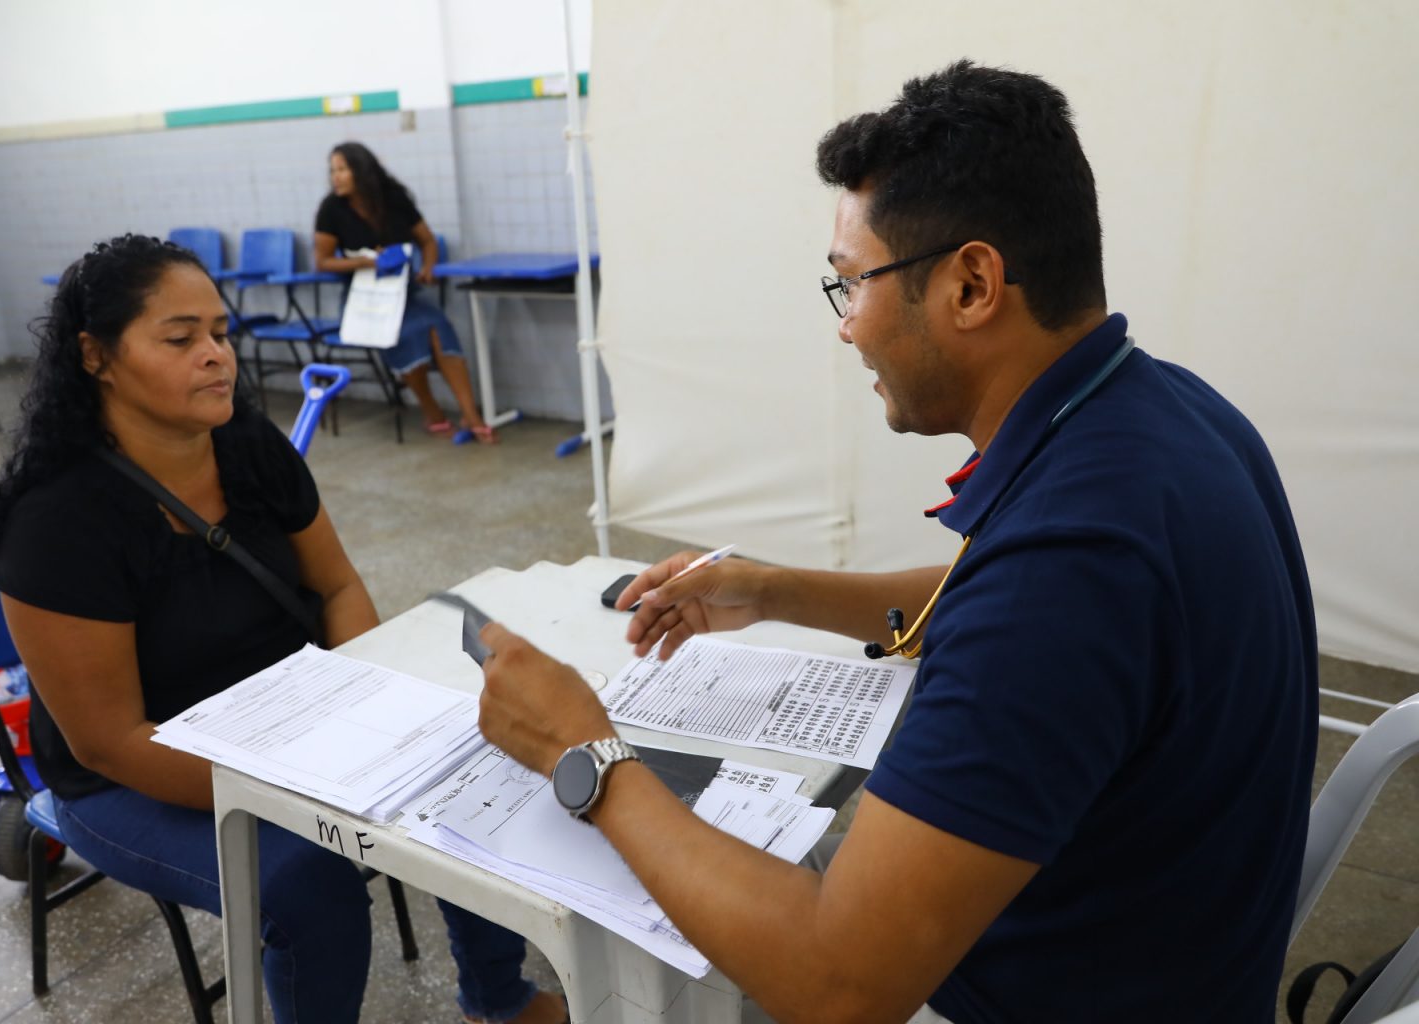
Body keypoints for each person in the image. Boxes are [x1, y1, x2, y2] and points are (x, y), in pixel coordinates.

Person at [473, 61, 1318, 1024]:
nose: (849, 331)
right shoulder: (1160, 415)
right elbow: (999, 600)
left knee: (674, 965)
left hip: (1023, 992)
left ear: (970, 283)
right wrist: (775, 589)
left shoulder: (1075, 562)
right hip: (1165, 948)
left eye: (852, 284)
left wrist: (585, 755)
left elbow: (841, 987)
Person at [0, 234, 563, 1024]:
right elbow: (108, 741)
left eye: (220, 333)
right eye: (181, 339)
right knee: (304, 887)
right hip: (133, 776)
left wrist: (370, 707)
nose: (217, 356)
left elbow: (338, 585)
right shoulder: (55, 523)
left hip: (297, 724)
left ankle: (499, 997)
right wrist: (300, 788)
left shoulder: (248, 446)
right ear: (95, 355)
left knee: (465, 770)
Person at [314, 141, 496, 442]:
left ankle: (471, 415)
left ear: (362, 171)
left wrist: (428, 267)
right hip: (364, 301)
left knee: (439, 329)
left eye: (342, 169)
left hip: (404, 295)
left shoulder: (394, 199)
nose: (336, 177)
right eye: (333, 170)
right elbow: (322, 262)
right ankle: (432, 411)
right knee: (408, 335)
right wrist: (365, 261)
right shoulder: (331, 208)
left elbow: (427, 241)